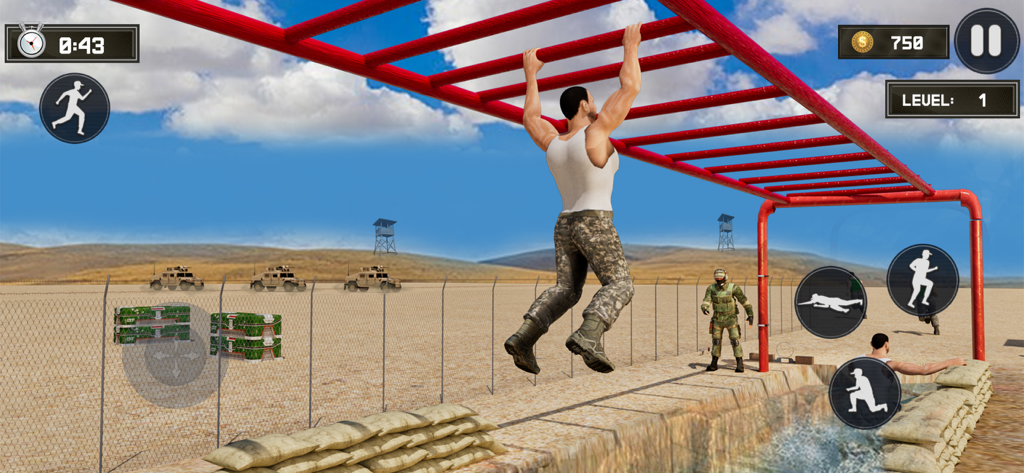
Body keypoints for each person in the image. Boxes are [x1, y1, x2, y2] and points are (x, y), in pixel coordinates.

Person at [504, 22, 643, 375]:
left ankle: (524, 336)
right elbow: (630, 87)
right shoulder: (596, 132)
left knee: (566, 289)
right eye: (593, 101)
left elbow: (530, 116)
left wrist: (530, 74)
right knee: (620, 283)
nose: (597, 106)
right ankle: (589, 333)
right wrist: (630, 46)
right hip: (594, 221)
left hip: (564, 223)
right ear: (583, 105)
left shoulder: (553, 143)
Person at [701, 269, 754, 372]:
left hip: (731, 319)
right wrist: (704, 307)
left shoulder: (733, 288)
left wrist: (750, 313)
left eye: (721, 278)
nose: (719, 281)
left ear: (725, 278)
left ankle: (740, 363)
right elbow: (707, 300)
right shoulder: (711, 288)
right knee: (716, 341)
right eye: (717, 279)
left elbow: (743, 300)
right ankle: (714, 363)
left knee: (735, 340)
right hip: (717, 319)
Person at [858, 333, 965, 375]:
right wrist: (950, 362)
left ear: (871, 344)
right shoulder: (890, 364)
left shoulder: (856, 360)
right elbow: (923, 370)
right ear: (886, 345)